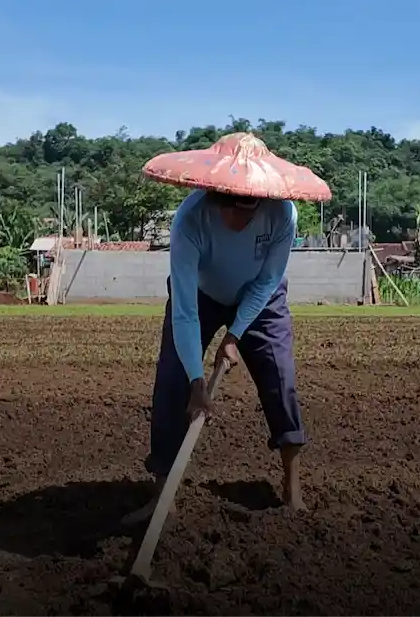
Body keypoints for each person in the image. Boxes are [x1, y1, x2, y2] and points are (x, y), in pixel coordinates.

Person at [122, 188, 307, 524]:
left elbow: (268, 280)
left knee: (280, 378)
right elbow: (184, 312)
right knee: (172, 379)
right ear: (216, 199)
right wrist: (196, 380)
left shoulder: (283, 213)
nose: (241, 221)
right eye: (233, 210)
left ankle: (292, 488)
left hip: (260, 296)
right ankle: (164, 496)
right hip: (199, 295)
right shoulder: (190, 218)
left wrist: (234, 335)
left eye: (251, 211)